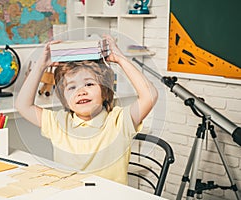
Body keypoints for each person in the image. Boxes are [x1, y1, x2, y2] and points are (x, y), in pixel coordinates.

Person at [15, 35, 158, 185]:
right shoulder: (58, 122)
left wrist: (120, 59)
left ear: (104, 90)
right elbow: (23, 106)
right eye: (71, 87)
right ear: (64, 98)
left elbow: (150, 95)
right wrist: (40, 66)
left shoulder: (119, 121)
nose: (81, 92)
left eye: (89, 84)